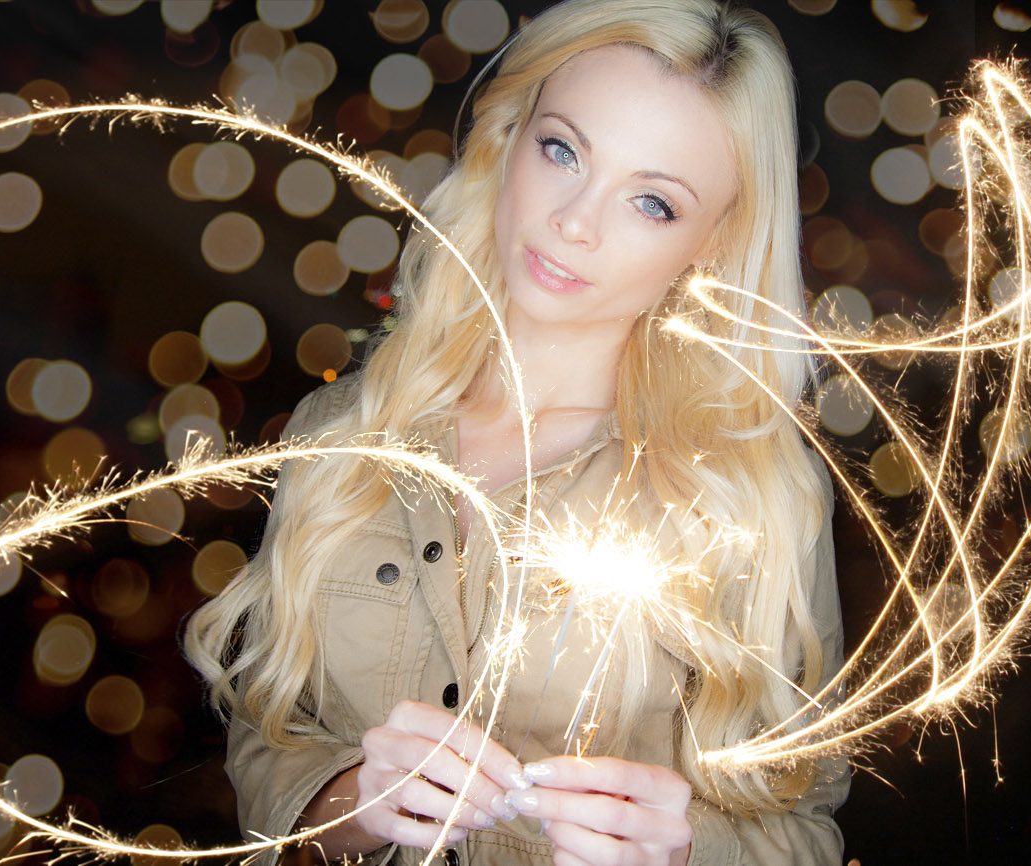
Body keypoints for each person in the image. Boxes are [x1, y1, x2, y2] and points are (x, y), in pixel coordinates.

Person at [184, 1, 846, 863]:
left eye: (652, 202)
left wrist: (684, 854)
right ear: (509, 139)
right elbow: (269, 738)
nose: (576, 221)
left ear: (711, 243)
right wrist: (351, 800)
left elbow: (804, 824)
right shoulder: (343, 434)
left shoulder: (752, 498)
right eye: (563, 151)